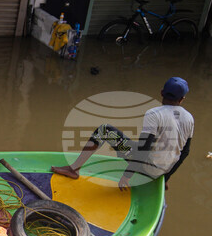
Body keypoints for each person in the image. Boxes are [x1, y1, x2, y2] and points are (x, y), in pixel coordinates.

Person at [52, 77, 194, 189]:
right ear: (182, 99)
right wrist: (165, 178)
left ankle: (74, 169)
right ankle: (159, 175)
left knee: (104, 130)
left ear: (162, 92)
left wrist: (127, 176)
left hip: (147, 168)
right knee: (145, 144)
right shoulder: (189, 118)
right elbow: (185, 152)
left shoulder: (155, 114)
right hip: (163, 170)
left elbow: (143, 149)